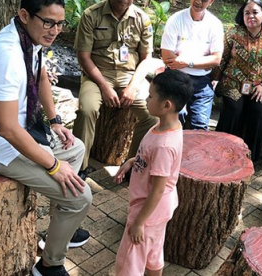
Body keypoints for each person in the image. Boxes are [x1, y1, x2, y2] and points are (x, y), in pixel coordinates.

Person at [0, 1, 92, 275]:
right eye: (48, 22)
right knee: (81, 197)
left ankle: (60, 225)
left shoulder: (28, 38)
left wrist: (54, 122)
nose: (55, 30)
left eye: (60, 23)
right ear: (24, 15)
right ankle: (49, 266)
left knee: (75, 148)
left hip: (19, 133)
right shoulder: (6, 56)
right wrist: (53, 165)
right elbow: (6, 129)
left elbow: (40, 73)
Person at [113, 69, 193, 276]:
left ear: (166, 105)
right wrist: (132, 161)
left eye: (150, 96)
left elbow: (157, 190)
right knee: (153, 252)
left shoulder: (164, 145)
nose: (146, 99)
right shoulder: (166, 125)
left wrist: (139, 222)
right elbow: (149, 158)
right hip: (159, 210)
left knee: (129, 260)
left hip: (147, 209)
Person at [73, 0, 158, 180]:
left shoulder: (142, 19)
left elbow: (146, 58)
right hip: (97, 75)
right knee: (87, 110)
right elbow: (83, 57)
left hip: (129, 75)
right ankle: (79, 167)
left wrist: (133, 87)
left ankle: (133, 165)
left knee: (153, 116)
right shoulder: (91, 15)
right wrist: (104, 87)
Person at [214, 0, 262, 161]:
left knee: (258, 110)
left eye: (255, 12)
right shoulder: (233, 33)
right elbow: (222, 58)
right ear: (242, 15)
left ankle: (250, 158)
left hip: (260, 85)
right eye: (247, 13)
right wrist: (215, 79)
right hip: (233, 82)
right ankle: (221, 150)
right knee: (233, 108)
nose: (251, 16)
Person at [161, 0, 224, 130]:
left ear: (211, 2)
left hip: (202, 81)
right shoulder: (176, 19)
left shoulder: (215, 24)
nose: (199, 2)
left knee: (200, 126)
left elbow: (216, 60)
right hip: (176, 78)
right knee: (176, 118)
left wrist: (186, 62)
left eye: (205, 0)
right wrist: (203, 61)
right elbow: (167, 57)